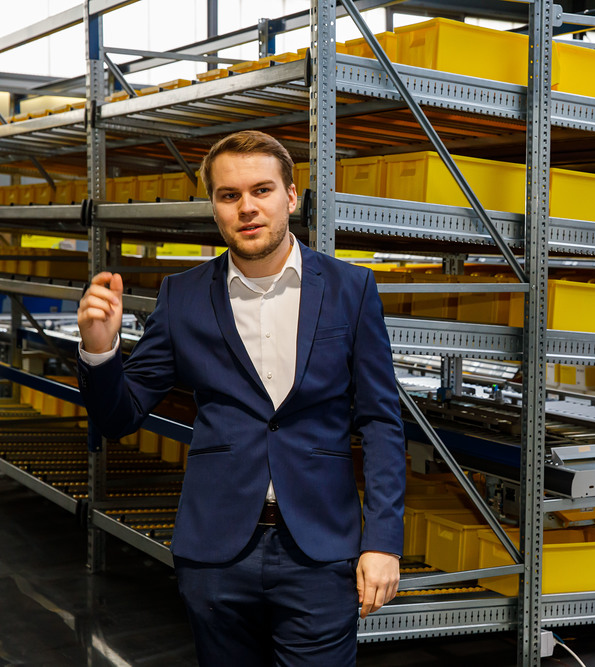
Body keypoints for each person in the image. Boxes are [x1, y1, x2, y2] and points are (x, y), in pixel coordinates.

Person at [77, 130, 406, 665]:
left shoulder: (351, 289)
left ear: (291, 196)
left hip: (320, 552)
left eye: (262, 190)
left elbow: (381, 423)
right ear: (214, 207)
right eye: (229, 195)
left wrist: (384, 541)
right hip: (216, 554)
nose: (246, 207)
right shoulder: (182, 296)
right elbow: (120, 417)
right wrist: (100, 350)